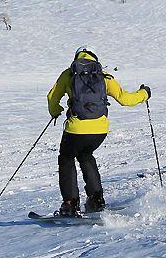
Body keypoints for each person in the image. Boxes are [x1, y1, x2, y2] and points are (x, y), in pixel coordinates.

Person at [47, 47, 150, 217]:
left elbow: (52, 97)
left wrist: (55, 111)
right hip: (100, 130)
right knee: (86, 155)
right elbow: (125, 99)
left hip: (76, 129)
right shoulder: (103, 76)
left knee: (66, 158)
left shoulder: (68, 74)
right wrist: (144, 93)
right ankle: (96, 199)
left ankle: (70, 203)